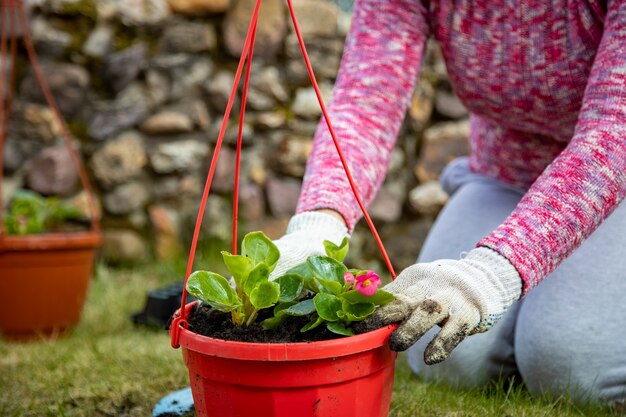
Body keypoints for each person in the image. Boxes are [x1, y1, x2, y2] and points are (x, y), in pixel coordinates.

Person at [155, 0, 626, 414]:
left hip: (614, 183)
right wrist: (319, 224)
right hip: (505, 174)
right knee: (438, 350)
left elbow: (614, 129)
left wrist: (493, 272)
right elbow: (366, 99)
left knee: (568, 365)